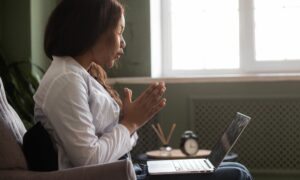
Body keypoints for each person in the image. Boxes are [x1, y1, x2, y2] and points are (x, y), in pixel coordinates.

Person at [34, 0, 252, 179]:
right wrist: (130, 123)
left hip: (123, 170)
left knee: (238, 170)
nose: (123, 43)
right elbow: (89, 161)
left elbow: (115, 144)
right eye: (119, 32)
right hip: (112, 175)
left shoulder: (79, 75)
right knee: (237, 175)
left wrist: (128, 122)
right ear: (93, 32)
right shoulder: (66, 80)